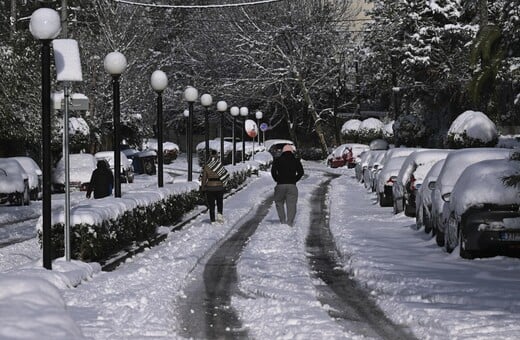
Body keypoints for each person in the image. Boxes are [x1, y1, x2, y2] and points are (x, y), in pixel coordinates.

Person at [271, 144, 304, 226]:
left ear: (283, 151)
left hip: (280, 185)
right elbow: (301, 172)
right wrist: (294, 180)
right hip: (292, 185)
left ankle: (282, 221)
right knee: (291, 204)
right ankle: (290, 222)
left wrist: (277, 179)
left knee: (279, 202)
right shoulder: (296, 160)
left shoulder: (277, 160)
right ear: (292, 151)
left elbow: (273, 172)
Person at [200, 150, 230, 224]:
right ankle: (220, 218)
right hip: (219, 187)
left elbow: (204, 178)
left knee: (211, 204)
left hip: (210, 188)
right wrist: (224, 185)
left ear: (210, 156)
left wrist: (203, 188)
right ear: (216, 156)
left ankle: (212, 219)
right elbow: (225, 175)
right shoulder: (219, 165)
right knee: (220, 203)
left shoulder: (207, 166)